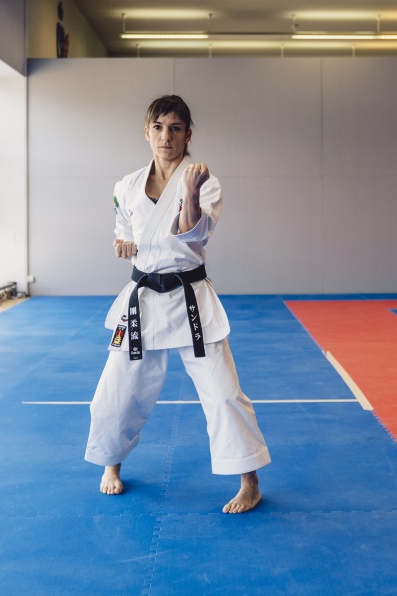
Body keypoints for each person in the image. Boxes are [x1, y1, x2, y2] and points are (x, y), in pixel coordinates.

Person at [85, 94, 270, 514]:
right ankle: (111, 465)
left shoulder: (205, 180)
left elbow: (193, 236)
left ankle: (249, 481)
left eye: (175, 128)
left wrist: (187, 191)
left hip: (191, 300)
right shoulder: (126, 185)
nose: (165, 136)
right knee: (116, 391)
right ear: (146, 132)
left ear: (188, 134)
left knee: (223, 392)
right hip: (142, 300)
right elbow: (123, 231)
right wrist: (121, 243)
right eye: (158, 127)